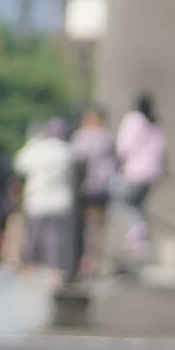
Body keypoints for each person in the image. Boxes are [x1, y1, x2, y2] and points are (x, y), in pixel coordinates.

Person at [13, 116, 78, 275]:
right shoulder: (67, 150)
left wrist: (31, 143)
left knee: (33, 236)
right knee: (56, 238)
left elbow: (19, 165)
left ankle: (29, 267)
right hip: (60, 202)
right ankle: (56, 270)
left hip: (37, 200)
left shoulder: (37, 148)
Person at [112, 91, 167, 265]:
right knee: (137, 206)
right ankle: (139, 237)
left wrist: (117, 167)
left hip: (135, 172)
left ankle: (138, 231)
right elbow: (162, 149)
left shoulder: (134, 120)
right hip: (152, 173)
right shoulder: (155, 124)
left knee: (119, 203)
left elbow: (124, 147)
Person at [67, 104, 116, 278]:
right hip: (104, 187)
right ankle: (97, 262)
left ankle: (85, 261)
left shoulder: (82, 136)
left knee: (85, 226)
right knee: (100, 227)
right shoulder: (108, 137)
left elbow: (76, 158)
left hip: (86, 188)